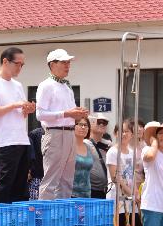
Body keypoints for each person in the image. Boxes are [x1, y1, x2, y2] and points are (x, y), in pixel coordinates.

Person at [0, 47, 35, 204]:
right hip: (4, 141)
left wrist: (27, 109)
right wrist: (14, 105)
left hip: (21, 139)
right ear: (5, 61)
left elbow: (20, 113)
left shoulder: (17, 85)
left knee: (21, 184)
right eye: (18, 63)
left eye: (22, 64)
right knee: (4, 183)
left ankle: (17, 221)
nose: (20, 68)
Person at [36, 49, 89, 200]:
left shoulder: (67, 86)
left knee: (67, 180)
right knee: (51, 179)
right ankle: (45, 219)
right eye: (64, 62)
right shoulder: (45, 85)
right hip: (54, 133)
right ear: (52, 65)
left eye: (68, 62)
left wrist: (78, 114)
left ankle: (61, 219)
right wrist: (67, 113)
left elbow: (69, 113)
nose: (68, 65)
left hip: (70, 132)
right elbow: (40, 115)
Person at [106, 119, 142, 226]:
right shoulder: (112, 152)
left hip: (131, 199)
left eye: (127, 131)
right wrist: (129, 192)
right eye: (121, 131)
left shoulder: (132, 152)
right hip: (117, 199)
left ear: (132, 134)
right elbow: (115, 177)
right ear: (115, 133)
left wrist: (136, 192)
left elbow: (133, 174)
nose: (124, 134)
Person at [87, 114, 110, 199]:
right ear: (91, 123)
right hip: (91, 189)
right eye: (99, 122)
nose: (102, 124)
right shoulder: (85, 143)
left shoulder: (109, 145)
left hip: (107, 189)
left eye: (105, 123)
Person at [72, 117, 94, 198]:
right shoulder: (68, 147)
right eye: (80, 124)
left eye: (86, 125)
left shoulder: (89, 147)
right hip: (70, 194)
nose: (83, 127)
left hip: (86, 194)